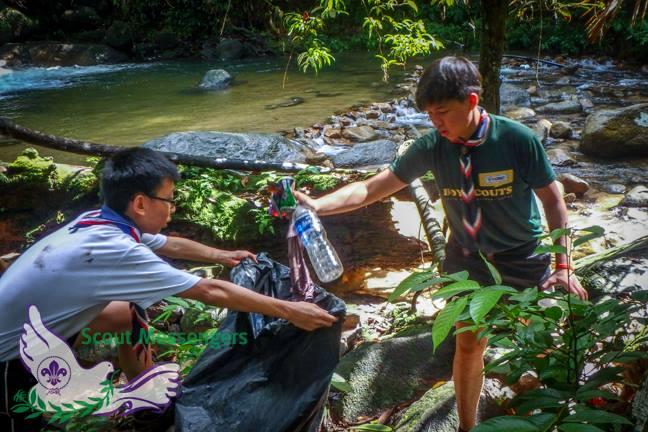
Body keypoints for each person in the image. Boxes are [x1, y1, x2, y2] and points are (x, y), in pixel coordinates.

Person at [294, 56, 586, 431]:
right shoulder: (432, 146)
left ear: (472, 100)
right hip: (468, 261)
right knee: (468, 345)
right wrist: (318, 205)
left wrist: (564, 266)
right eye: (430, 114)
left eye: (443, 112)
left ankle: (551, 417)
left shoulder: (517, 140)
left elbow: (554, 201)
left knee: (541, 339)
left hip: (523, 257)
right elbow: (370, 188)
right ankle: (467, 426)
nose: (436, 122)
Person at [0, 147, 336, 431]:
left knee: (127, 313)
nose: (172, 209)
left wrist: (221, 255)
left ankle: (147, 406)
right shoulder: (115, 249)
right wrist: (290, 310)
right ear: (141, 204)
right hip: (10, 357)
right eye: (169, 200)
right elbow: (210, 292)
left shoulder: (99, 222)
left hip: (40, 324)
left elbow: (169, 245)